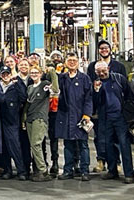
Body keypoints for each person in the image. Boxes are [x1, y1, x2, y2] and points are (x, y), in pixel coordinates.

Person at [93, 61, 134, 184]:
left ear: (108, 68)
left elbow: (129, 95)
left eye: (103, 70)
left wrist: (130, 114)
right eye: (99, 72)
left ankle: (129, 174)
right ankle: (112, 171)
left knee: (124, 144)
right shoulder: (97, 84)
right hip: (105, 118)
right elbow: (95, 103)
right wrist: (96, 91)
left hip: (120, 118)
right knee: (108, 145)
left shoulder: (119, 79)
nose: (102, 73)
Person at [87, 40, 127, 173]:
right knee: (100, 137)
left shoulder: (119, 66)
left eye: (106, 48)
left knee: (116, 138)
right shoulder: (93, 66)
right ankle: (101, 161)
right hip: (99, 109)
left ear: (110, 49)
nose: (104, 50)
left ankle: (117, 163)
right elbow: (89, 86)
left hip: (116, 110)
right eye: (101, 48)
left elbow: (124, 89)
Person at [56, 52, 93, 181]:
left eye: (74, 60)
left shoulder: (84, 79)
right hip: (66, 116)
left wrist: (87, 115)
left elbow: (89, 98)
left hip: (80, 116)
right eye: (69, 60)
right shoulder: (62, 78)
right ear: (66, 62)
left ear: (78, 62)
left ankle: (84, 171)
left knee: (83, 144)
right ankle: (68, 170)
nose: (72, 62)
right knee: (68, 144)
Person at [23, 65, 59, 182]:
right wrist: (23, 119)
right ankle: (39, 169)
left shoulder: (45, 85)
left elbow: (55, 90)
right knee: (32, 145)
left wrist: (52, 72)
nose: (33, 74)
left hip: (40, 118)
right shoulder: (29, 88)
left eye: (36, 72)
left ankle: (43, 170)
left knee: (36, 144)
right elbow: (27, 105)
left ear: (40, 73)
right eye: (32, 72)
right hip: (29, 119)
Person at [0, 66, 28, 181]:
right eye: (3, 74)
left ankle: (21, 171)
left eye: (7, 74)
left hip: (12, 121)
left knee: (15, 147)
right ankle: (7, 170)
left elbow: (24, 97)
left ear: (11, 75)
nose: (5, 76)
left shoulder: (15, 86)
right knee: (4, 147)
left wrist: (18, 81)